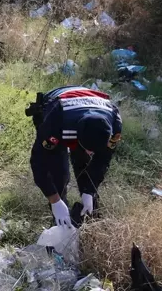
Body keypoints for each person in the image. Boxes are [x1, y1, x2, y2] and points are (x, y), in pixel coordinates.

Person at [26, 86, 122, 228]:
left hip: (88, 104)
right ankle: (60, 223)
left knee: (84, 165)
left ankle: (89, 219)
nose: (91, 153)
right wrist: (55, 200)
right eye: (88, 149)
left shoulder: (114, 124)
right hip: (56, 103)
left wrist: (89, 191)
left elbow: (102, 161)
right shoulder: (57, 122)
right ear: (77, 137)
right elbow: (39, 161)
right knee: (59, 172)